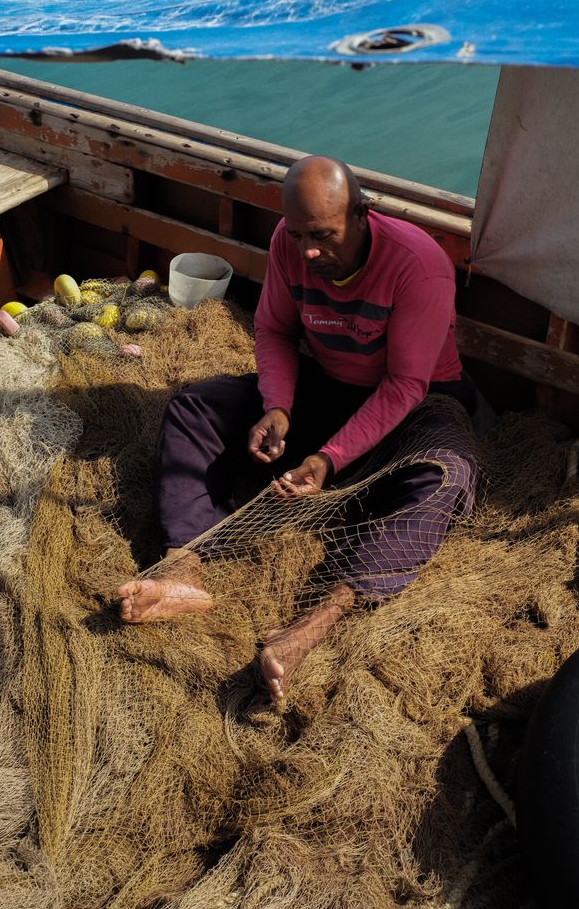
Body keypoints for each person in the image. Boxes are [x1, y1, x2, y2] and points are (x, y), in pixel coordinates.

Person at [117, 155, 477, 702]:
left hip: (421, 403)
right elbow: (274, 330)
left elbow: (405, 385)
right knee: (194, 408)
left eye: (324, 236)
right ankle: (185, 565)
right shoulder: (289, 243)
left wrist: (329, 457)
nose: (309, 251)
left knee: (444, 478)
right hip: (329, 384)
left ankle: (315, 624)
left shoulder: (417, 264)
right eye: (299, 233)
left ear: (361, 214)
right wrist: (278, 407)